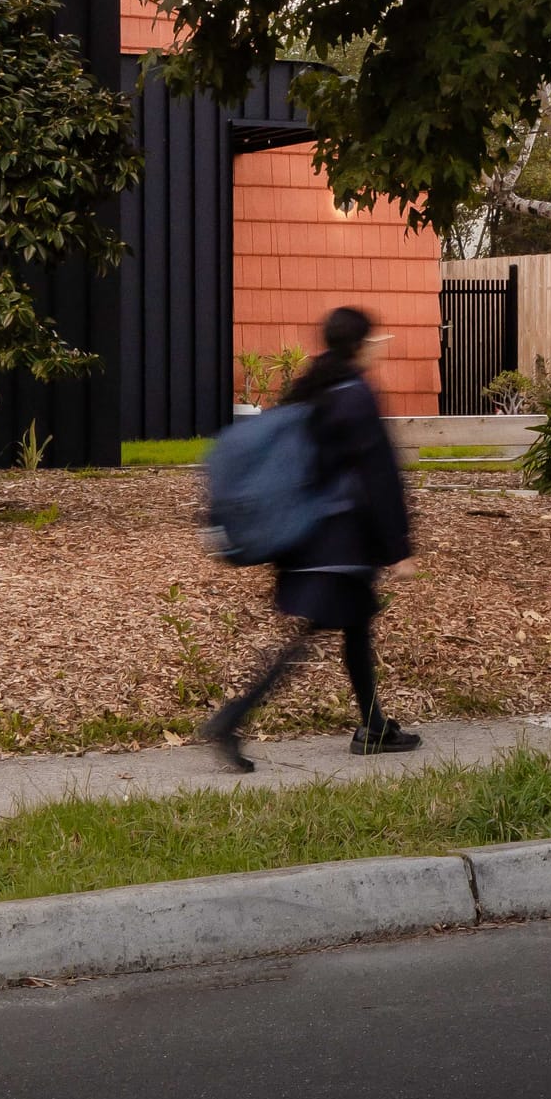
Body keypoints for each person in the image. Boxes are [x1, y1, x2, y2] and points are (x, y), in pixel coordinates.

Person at [199, 304, 420, 772]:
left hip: (306, 538)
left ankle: (375, 727)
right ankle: (232, 720)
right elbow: (380, 477)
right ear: (360, 346)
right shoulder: (356, 396)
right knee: (309, 638)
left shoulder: (314, 387)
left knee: (355, 628)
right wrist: (399, 549)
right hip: (338, 544)